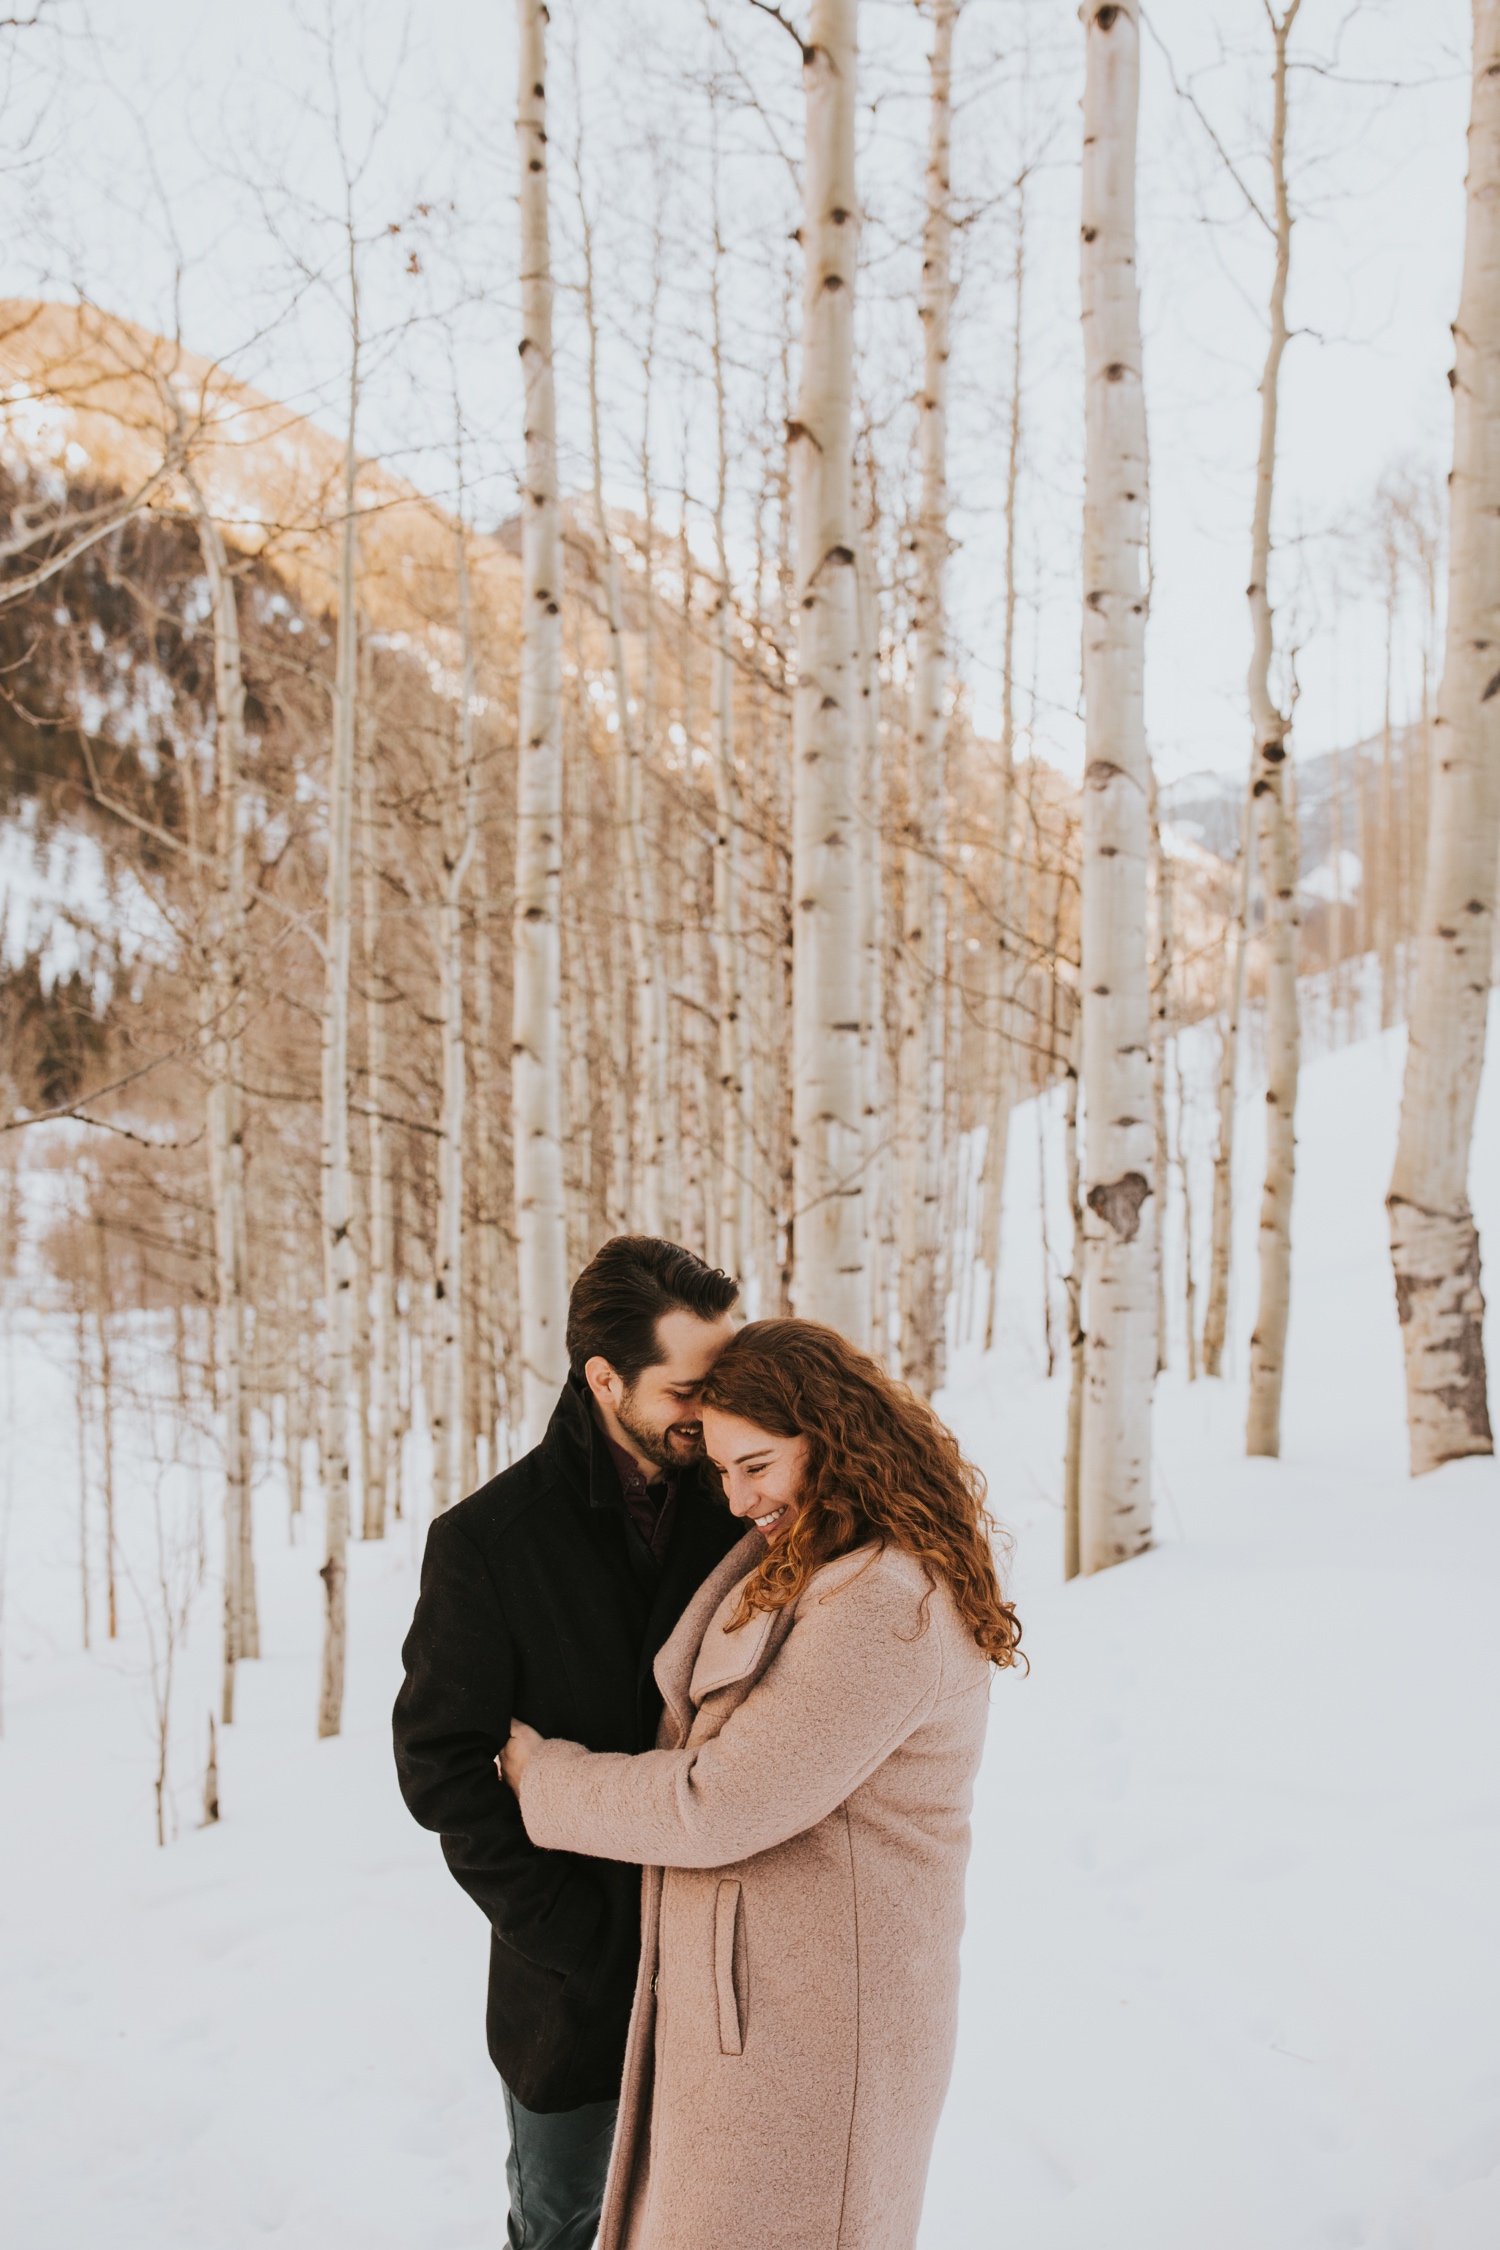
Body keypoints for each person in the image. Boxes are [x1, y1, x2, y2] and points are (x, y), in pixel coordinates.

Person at [500, 1318, 1024, 2250]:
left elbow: (719, 1801)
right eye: (724, 1471)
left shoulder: (885, 1599)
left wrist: (545, 1779)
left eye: (759, 1465)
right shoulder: (822, 1560)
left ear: (837, 1438)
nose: (739, 1500)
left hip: (813, 2034)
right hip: (762, 2017)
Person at [393, 1237, 743, 2250]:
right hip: (570, 1990)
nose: (711, 1409)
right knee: (561, 2227)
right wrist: (573, 1940)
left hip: (726, 1968)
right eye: (688, 1388)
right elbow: (441, 1766)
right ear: (604, 1378)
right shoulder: (488, 1542)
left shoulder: (751, 1500)